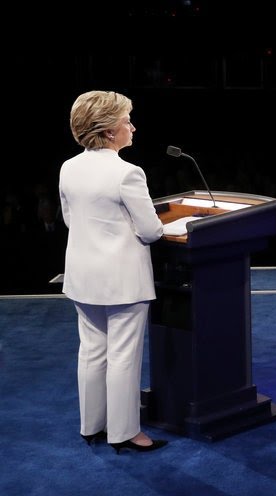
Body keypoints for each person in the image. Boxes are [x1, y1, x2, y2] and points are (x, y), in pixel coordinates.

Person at [59, 90, 169, 453]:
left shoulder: (68, 167)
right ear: (109, 131)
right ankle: (125, 433)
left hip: (82, 276)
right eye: (127, 121)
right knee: (123, 355)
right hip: (122, 280)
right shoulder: (127, 173)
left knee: (92, 350)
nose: (132, 128)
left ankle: (92, 426)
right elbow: (151, 231)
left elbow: (70, 219)